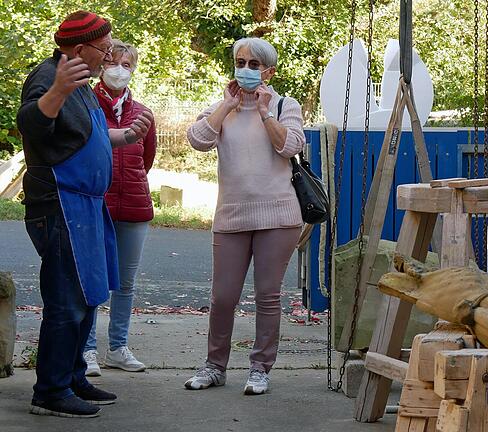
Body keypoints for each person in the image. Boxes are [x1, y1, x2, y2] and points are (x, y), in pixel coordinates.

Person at [16, 10, 152, 418]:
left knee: (88, 296)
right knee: (66, 301)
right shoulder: (51, 78)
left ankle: (73, 375)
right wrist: (56, 89)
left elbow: (83, 135)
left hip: (86, 207)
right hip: (60, 205)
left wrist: (127, 136)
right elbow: (32, 124)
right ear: (79, 50)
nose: (109, 57)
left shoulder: (83, 86)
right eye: (104, 49)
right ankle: (51, 392)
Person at [185, 37, 305, 395]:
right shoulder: (222, 107)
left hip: (279, 216)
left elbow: (290, 146)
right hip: (232, 215)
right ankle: (214, 366)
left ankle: (260, 368)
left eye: (254, 64)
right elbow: (198, 139)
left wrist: (265, 112)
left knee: (268, 295)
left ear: (269, 71)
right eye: (240, 62)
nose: (246, 70)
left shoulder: (286, 105)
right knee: (223, 296)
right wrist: (226, 106)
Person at [83, 39, 157, 376]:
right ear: (101, 65)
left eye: (127, 65)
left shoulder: (143, 113)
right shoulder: (85, 104)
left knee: (125, 283)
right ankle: (86, 351)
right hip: (95, 204)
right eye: (114, 62)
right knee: (93, 279)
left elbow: (147, 159)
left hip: (133, 206)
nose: (119, 70)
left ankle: (118, 347)